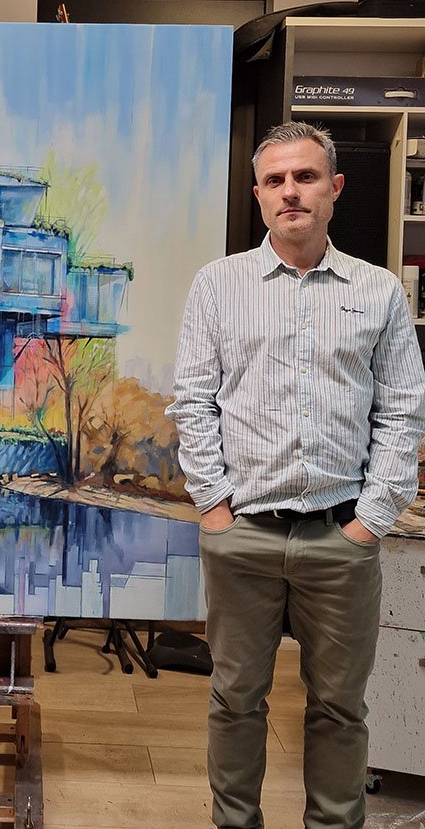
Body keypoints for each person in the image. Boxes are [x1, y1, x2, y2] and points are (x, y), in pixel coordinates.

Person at [166, 121, 425, 829]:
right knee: (235, 700)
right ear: (258, 195)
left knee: (340, 708)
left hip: (340, 539)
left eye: (305, 177)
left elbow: (403, 411)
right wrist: (215, 508)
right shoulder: (218, 286)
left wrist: (370, 521)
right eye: (275, 180)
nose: (290, 191)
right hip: (243, 536)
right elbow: (193, 400)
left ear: (334, 188)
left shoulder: (378, 292)